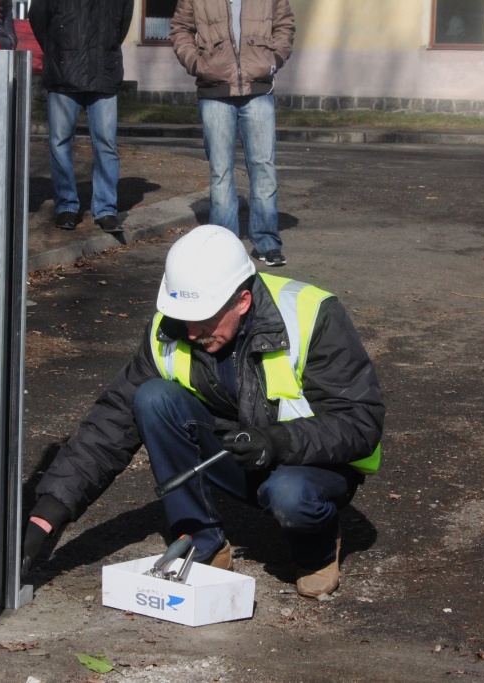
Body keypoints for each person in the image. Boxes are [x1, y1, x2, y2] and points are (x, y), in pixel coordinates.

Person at [21, 225, 384, 598]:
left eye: (205, 318)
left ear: (242, 301)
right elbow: (111, 422)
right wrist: (47, 514)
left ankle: (318, 548)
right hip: (237, 454)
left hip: (312, 465)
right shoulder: (173, 327)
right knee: (152, 398)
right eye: (185, 316)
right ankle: (203, 542)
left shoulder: (311, 316)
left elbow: (360, 421)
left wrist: (276, 442)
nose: (192, 332)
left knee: (291, 495)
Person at [169, 0, 295, 266]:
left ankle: (266, 242)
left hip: (259, 89)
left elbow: (285, 24)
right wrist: (197, 64)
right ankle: (225, 246)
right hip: (214, 91)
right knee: (221, 171)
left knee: (263, 167)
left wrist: (273, 60)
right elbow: (180, 29)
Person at [28, 0, 134, 233]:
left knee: (106, 145)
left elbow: (122, 25)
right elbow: (38, 18)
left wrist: (105, 48)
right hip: (63, 71)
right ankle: (66, 206)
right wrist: (58, 48)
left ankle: (106, 208)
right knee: (60, 143)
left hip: (103, 72)